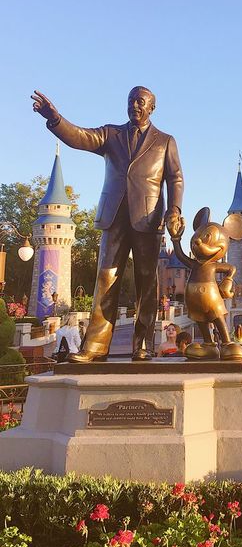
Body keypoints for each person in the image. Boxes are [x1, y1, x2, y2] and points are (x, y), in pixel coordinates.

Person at [32, 87, 184, 363]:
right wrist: (55, 119)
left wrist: (174, 210)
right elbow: (80, 137)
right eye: (130, 101)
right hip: (113, 217)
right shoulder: (111, 134)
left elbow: (175, 178)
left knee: (146, 282)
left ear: (152, 107)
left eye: (140, 102)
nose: (134, 106)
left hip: (147, 219)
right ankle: (96, 346)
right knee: (106, 279)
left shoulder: (165, 141)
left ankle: (143, 345)